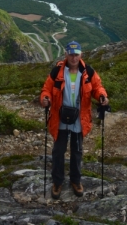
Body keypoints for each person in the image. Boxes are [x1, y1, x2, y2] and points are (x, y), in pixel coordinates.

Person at [40, 40, 109, 200]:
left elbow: (98, 87)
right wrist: (45, 98)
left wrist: (102, 96)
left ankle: (75, 181)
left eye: (76, 55)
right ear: (66, 54)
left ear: (81, 55)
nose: (73, 58)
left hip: (79, 119)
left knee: (76, 152)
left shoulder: (88, 72)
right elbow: (47, 89)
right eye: (70, 54)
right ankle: (57, 182)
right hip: (60, 118)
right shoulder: (57, 71)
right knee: (58, 151)